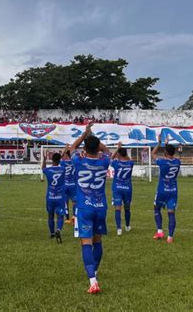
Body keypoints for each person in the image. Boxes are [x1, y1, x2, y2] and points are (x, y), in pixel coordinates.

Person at [70, 123, 110, 294]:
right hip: (101, 206)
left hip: (84, 207)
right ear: (97, 148)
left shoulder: (79, 160)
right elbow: (107, 150)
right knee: (98, 241)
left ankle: (93, 281)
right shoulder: (105, 161)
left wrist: (84, 134)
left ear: (85, 148)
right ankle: (94, 271)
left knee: (85, 242)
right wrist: (92, 136)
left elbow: (72, 147)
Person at [151, 134, 181, 243]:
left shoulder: (162, 162)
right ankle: (170, 237)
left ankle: (160, 231)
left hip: (162, 190)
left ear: (165, 153)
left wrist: (159, 143)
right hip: (173, 191)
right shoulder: (178, 162)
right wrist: (167, 145)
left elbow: (153, 153)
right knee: (171, 213)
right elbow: (170, 157)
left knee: (156, 208)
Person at [110, 142, 134, 235]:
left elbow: (111, 158)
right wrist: (122, 152)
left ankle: (119, 229)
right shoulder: (131, 163)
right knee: (127, 208)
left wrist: (117, 148)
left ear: (119, 154)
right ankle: (127, 226)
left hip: (117, 188)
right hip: (128, 189)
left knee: (117, 208)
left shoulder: (116, 163)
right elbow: (128, 159)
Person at [42, 151, 66, 243]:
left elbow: (43, 168)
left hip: (50, 197)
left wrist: (44, 159)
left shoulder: (48, 170)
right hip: (60, 197)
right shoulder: (63, 169)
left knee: (50, 215)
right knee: (60, 215)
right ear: (59, 160)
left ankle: (52, 233)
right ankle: (58, 229)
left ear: (51, 160)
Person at [60, 146, 76, 224]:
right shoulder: (75, 163)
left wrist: (66, 148)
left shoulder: (63, 162)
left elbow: (60, 158)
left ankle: (67, 218)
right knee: (74, 202)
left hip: (65, 184)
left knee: (65, 202)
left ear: (66, 155)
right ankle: (75, 217)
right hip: (73, 185)